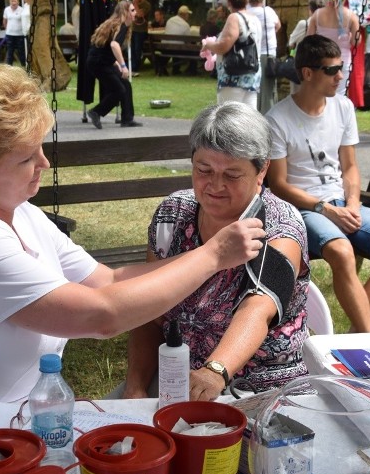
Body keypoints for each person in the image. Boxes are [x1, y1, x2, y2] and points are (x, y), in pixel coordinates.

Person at [0, 65, 265, 474]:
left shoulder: (17, 212)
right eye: (27, 157)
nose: (44, 161)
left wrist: (212, 255)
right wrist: (211, 257)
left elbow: (109, 281)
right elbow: (101, 315)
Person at [122, 102, 310, 401]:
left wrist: (215, 371)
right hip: (178, 380)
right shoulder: (173, 215)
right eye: (204, 170)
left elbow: (258, 308)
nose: (215, 185)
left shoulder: (280, 227)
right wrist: (135, 387)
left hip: (262, 389)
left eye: (232, 175)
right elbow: (149, 309)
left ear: (262, 170)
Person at [266, 35, 370, 333]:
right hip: (302, 209)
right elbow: (279, 185)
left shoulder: (343, 108)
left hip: (342, 202)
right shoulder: (277, 119)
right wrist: (326, 209)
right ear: (308, 73)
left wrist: (354, 204)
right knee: (342, 251)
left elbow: (350, 167)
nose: (341, 76)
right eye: (332, 70)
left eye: (341, 67)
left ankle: (356, 336)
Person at [86, 1, 143, 129]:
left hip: (104, 61)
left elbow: (108, 48)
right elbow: (114, 45)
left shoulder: (121, 25)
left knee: (125, 85)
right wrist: (123, 66)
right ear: (125, 12)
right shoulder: (120, 25)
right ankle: (96, 112)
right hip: (98, 63)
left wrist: (116, 63)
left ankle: (127, 119)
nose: (135, 13)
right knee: (119, 89)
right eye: (132, 10)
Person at [201, 0, 262, 108]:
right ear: (247, 1)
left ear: (229, 2)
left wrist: (209, 45)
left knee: (228, 117)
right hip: (252, 77)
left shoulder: (234, 18)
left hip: (234, 77)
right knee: (248, 119)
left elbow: (223, 46)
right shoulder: (255, 19)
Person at [307, 0, 359, 96]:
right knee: (340, 94)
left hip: (322, 60)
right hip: (343, 60)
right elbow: (355, 42)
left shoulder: (317, 15)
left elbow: (309, 40)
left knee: (322, 93)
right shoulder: (351, 16)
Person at [247, 0, 280, 113]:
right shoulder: (269, 12)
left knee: (252, 88)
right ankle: (268, 115)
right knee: (268, 89)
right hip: (268, 53)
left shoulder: (247, 12)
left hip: (251, 54)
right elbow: (278, 25)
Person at [163, 5, 196, 76]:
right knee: (193, 50)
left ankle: (175, 69)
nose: (188, 16)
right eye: (188, 14)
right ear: (184, 15)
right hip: (178, 49)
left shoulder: (170, 20)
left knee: (177, 45)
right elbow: (188, 41)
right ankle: (192, 70)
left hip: (165, 48)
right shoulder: (185, 25)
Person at [2, 0, 27, 66]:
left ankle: (24, 65)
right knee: (10, 51)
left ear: (18, 2)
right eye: (12, 1)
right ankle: (9, 66)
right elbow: (4, 21)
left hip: (20, 34)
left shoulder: (22, 10)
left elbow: (24, 21)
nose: (14, 3)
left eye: (15, 1)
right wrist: (7, 28)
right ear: (10, 2)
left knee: (21, 51)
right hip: (9, 34)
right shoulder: (6, 9)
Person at [130, 0, 150, 75]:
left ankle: (135, 68)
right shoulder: (132, 4)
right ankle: (131, 67)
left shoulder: (146, 4)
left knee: (137, 49)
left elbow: (140, 14)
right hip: (133, 29)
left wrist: (135, 4)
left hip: (141, 30)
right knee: (131, 49)